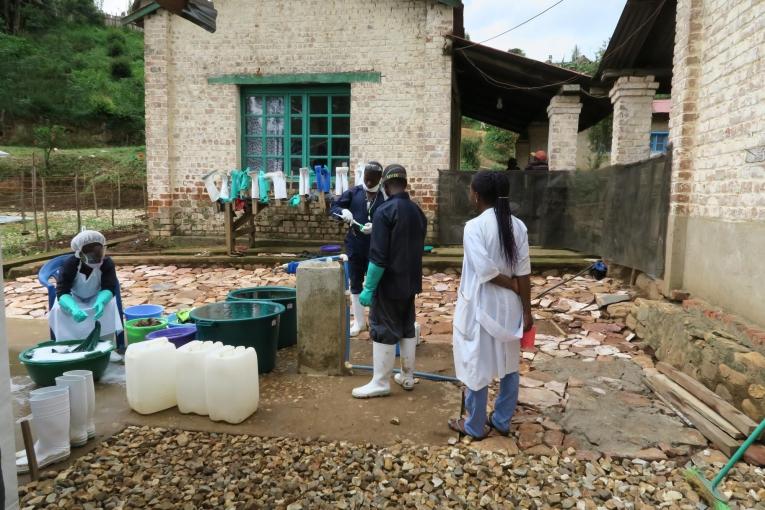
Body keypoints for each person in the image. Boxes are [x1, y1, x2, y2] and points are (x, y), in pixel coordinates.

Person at [448, 170, 533, 439]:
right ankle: (502, 419)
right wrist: (527, 309)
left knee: (476, 362)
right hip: (509, 308)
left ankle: (474, 425)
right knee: (509, 363)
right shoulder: (518, 226)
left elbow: (485, 270)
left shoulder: (474, 227)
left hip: (481, 304)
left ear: (476, 195)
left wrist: (512, 285)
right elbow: (524, 272)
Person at [352, 164, 427, 398]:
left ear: (385, 185)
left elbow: (378, 258)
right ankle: (407, 376)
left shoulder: (384, 212)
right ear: (405, 184)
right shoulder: (418, 212)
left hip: (389, 284)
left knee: (383, 329)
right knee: (406, 328)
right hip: (410, 282)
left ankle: (380, 382)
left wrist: (368, 288)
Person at [330, 161, 386, 336]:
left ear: (380, 179)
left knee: (377, 284)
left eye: (372, 180)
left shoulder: (384, 195)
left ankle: (376, 320)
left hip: (377, 247)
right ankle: (359, 322)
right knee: (355, 282)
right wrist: (342, 214)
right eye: (366, 179)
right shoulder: (354, 193)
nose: (368, 183)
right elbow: (334, 208)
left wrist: (376, 227)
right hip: (355, 244)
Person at [49, 230, 123, 349]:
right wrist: (73, 308)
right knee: (59, 310)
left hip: (97, 295)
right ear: (80, 253)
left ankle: (105, 346)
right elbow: (62, 291)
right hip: (73, 297)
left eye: (98, 253)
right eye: (91, 255)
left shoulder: (107, 263)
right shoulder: (70, 264)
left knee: (110, 306)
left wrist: (102, 301)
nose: (96, 259)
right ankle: (68, 346)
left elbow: (109, 286)